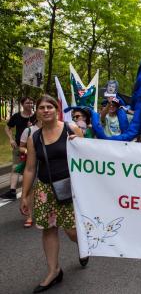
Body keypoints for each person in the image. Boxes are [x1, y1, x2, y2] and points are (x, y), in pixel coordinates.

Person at [19, 95, 86, 293]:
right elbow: (30, 168)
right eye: (42, 107)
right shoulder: (34, 138)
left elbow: (89, 158)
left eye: (50, 106)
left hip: (70, 188)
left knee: (73, 231)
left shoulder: (71, 129)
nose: (46, 110)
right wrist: (25, 195)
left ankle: (83, 246)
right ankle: (54, 271)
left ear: (56, 109)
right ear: (37, 111)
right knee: (48, 230)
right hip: (45, 190)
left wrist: (79, 143)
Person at [1, 96, 36, 200]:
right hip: (19, 146)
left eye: (31, 103)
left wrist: (32, 127)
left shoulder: (36, 117)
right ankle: (12, 192)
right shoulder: (16, 116)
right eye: (27, 103)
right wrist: (11, 139)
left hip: (33, 147)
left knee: (30, 168)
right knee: (15, 168)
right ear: (22, 104)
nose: (30, 105)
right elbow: (7, 127)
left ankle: (30, 191)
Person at [18, 119, 42, 228]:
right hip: (32, 162)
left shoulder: (53, 128)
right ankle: (29, 216)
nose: (45, 111)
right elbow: (21, 146)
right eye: (41, 108)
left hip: (47, 162)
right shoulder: (29, 130)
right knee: (30, 189)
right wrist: (29, 151)